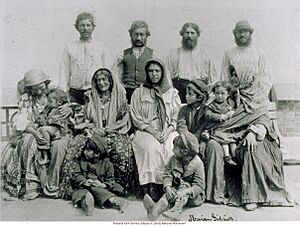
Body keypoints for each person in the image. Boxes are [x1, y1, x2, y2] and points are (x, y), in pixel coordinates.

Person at [202, 20, 294, 210]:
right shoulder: (229, 55)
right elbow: (225, 83)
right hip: (236, 115)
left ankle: (253, 195)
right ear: (234, 34)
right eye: (239, 32)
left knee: (253, 146)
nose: (242, 35)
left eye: (246, 32)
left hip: (256, 125)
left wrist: (253, 130)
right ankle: (217, 191)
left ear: (251, 33)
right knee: (214, 137)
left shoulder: (259, 54)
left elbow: (263, 113)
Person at [1, 69, 70, 200]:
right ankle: (31, 186)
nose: (39, 92)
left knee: (59, 145)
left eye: (40, 87)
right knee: (30, 141)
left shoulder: (55, 92)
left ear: (46, 82)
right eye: (34, 89)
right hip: (33, 129)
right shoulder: (26, 98)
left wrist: (69, 108)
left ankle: (53, 184)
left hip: (56, 129)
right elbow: (23, 121)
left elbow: (67, 106)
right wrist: (35, 132)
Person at [130, 58, 181, 201]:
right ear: (147, 73)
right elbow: (136, 117)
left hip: (167, 130)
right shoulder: (139, 93)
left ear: (163, 72)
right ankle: (152, 191)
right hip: (146, 130)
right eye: (151, 71)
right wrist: (153, 131)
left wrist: (168, 131)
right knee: (150, 147)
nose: (154, 74)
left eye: (157, 71)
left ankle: (171, 187)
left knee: (172, 146)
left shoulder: (171, 93)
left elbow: (175, 117)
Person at [84, 68, 136, 195]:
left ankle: (118, 187)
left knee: (121, 150)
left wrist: (111, 128)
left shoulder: (119, 97)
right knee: (78, 146)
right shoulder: (90, 97)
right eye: (98, 80)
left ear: (111, 81)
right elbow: (86, 118)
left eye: (104, 80)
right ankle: (86, 186)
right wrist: (93, 129)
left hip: (115, 131)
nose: (101, 83)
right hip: (94, 131)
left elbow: (125, 118)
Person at [142, 131, 205, 221]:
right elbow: (167, 174)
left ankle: (176, 211)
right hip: (176, 190)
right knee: (167, 195)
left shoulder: (198, 164)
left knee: (184, 186)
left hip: (192, 196)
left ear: (185, 151)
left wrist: (186, 191)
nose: (172, 150)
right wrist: (168, 187)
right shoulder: (173, 159)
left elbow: (199, 186)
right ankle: (155, 210)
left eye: (175, 148)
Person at [59, 12, 111, 104]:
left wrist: (106, 92)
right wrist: (62, 93)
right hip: (75, 92)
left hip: (95, 91)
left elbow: (107, 70)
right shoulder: (70, 47)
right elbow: (64, 72)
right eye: (82, 25)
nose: (85, 28)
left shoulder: (101, 47)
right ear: (77, 27)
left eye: (88, 25)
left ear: (93, 27)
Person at [71, 135, 129, 216]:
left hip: (100, 189)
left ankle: (116, 201)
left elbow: (111, 181)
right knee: (81, 194)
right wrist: (84, 181)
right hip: (84, 187)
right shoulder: (82, 161)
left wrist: (102, 185)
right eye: (85, 149)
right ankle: (88, 204)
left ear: (97, 154)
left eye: (88, 150)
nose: (84, 152)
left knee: (96, 190)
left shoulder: (107, 164)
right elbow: (76, 174)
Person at [166, 22, 218, 103]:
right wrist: (171, 93)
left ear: (197, 35)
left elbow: (213, 77)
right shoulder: (174, 53)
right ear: (182, 35)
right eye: (187, 33)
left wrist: (210, 96)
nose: (189, 36)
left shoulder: (205, 54)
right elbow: (167, 75)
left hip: (199, 91)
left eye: (192, 33)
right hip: (179, 91)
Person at [112, 20, 154, 103]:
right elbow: (115, 74)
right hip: (127, 92)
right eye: (136, 34)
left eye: (141, 34)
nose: (138, 38)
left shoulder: (152, 54)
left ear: (146, 36)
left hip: (146, 93)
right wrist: (121, 90)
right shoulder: (123, 54)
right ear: (131, 35)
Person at [204, 81, 237, 165]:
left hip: (227, 128)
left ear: (228, 94)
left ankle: (235, 156)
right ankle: (227, 157)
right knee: (224, 141)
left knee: (232, 141)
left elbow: (233, 112)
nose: (219, 96)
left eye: (223, 93)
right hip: (216, 128)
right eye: (217, 93)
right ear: (214, 94)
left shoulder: (229, 104)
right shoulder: (211, 105)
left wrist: (232, 113)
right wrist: (219, 117)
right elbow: (208, 115)